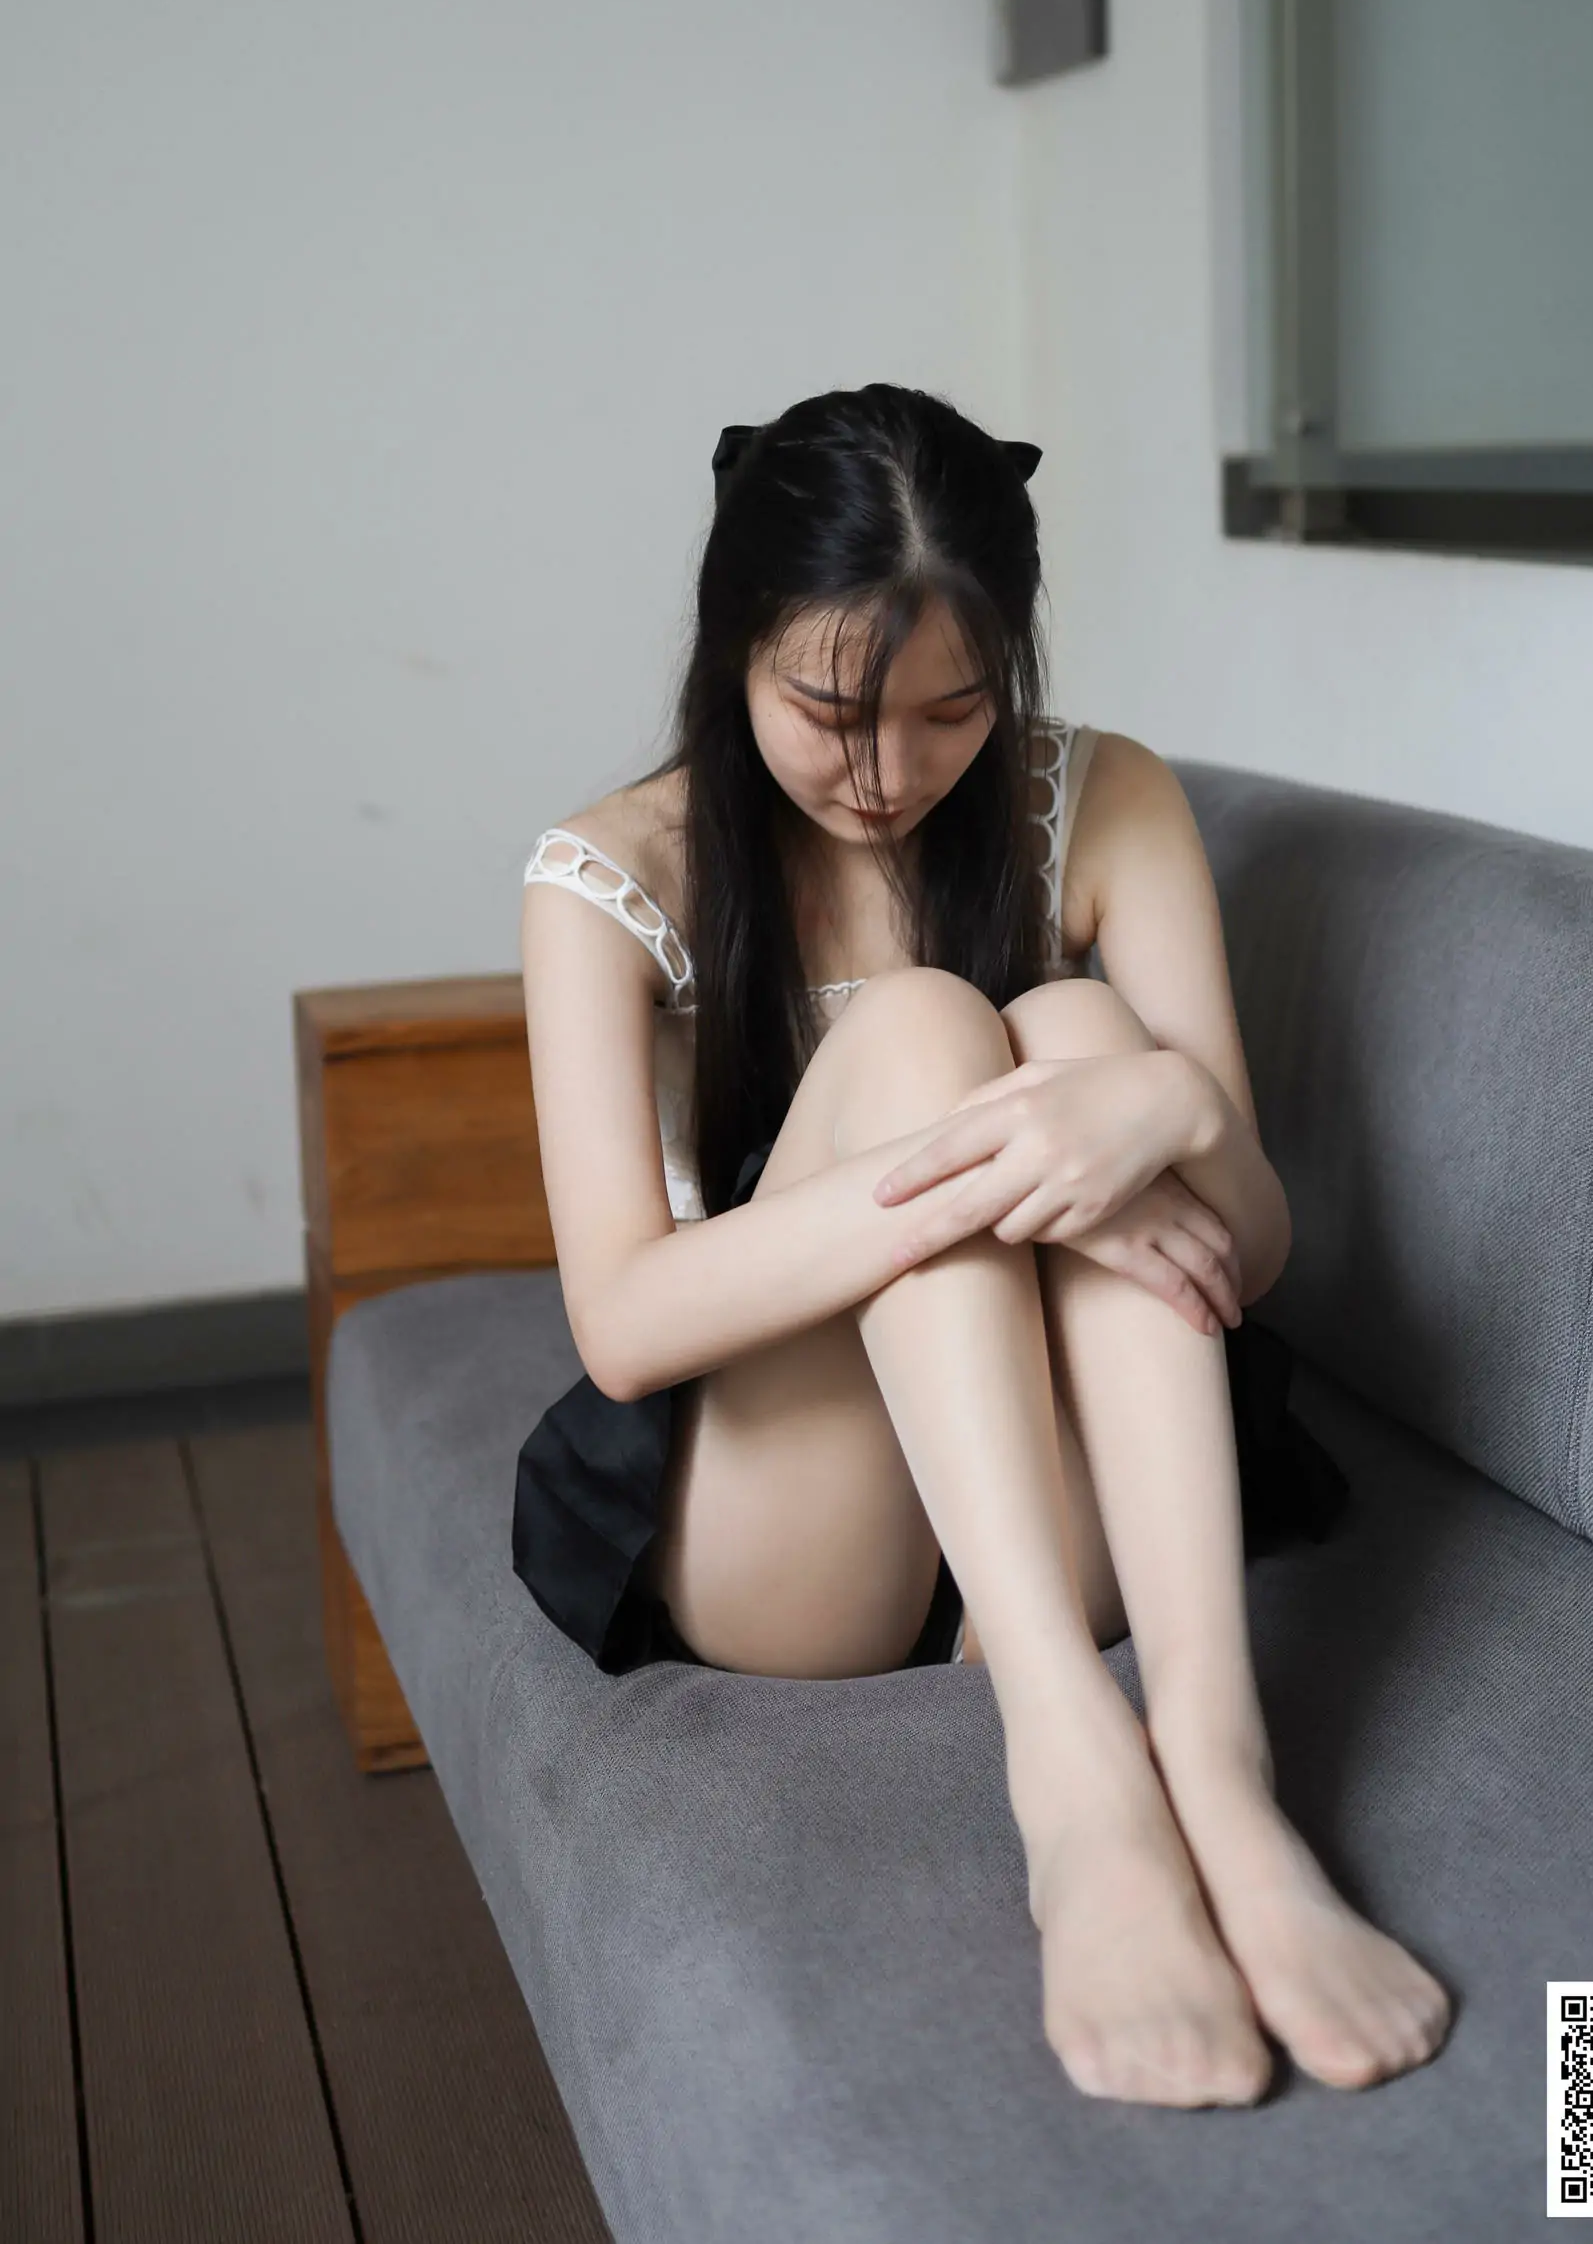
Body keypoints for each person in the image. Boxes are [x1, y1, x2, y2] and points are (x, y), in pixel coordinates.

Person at [511, 380, 1453, 2111]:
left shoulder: (1102, 798)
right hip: (796, 1551)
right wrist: (988, 1152)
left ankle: (1218, 1772)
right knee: (937, 1030)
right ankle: (1074, 1782)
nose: (886, 774)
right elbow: (626, 1326)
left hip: (1087, 1509)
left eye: (952, 712)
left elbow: (1249, 1245)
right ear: (733, 651)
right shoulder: (606, 875)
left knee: (1091, 1042)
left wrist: (1164, 1110)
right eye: (828, 711)